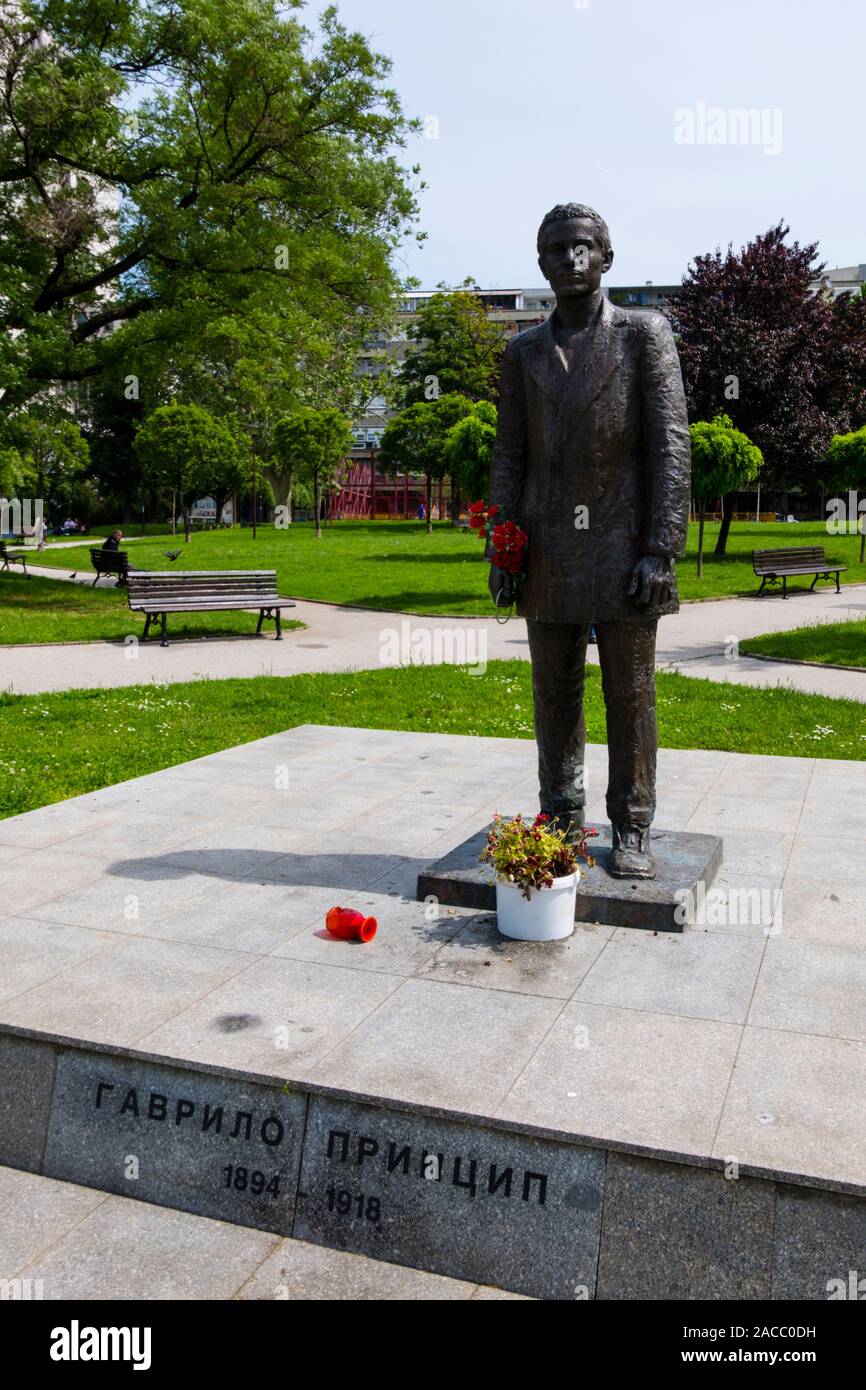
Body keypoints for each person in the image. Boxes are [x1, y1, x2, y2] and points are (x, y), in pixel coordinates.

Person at [487, 202, 690, 878]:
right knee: (554, 694)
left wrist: (661, 549)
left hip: (624, 543)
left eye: (583, 247)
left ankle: (633, 825)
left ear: (606, 257)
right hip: (546, 548)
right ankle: (562, 817)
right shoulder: (523, 353)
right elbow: (509, 455)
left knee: (629, 694)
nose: (571, 260)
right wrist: (503, 545)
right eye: (556, 250)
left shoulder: (643, 336)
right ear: (541, 263)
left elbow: (670, 447)